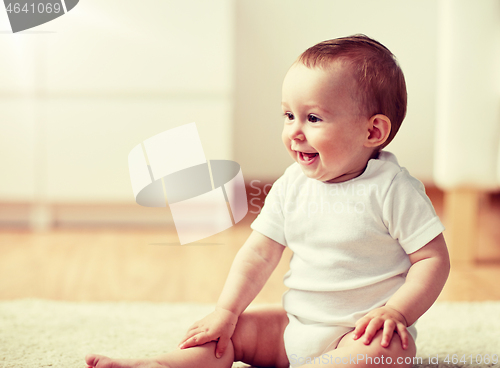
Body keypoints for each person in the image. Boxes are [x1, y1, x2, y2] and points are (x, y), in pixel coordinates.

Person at [85, 34, 450, 368]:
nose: (294, 131)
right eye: (289, 115)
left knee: (387, 353)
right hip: (293, 326)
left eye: (312, 118)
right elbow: (259, 254)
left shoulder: (393, 189)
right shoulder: (292, 184)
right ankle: (159, 365)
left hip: (361, 335)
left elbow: (432, 260)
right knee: (227, 333)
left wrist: (397, 313)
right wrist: (226, 311)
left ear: (372, 131)